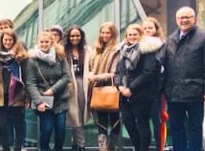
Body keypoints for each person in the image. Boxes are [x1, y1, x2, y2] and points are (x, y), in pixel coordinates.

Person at [162, 6, 205, 151]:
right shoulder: (170, 39)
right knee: (176, 128)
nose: (184, 20)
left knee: (195, 128)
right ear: (176, 20)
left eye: (187, 17)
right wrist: (163, 90)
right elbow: (166, 67)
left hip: (195, 92)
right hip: (174, 94)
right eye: (181, 18)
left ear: (194, 18)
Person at [114, 24, 162, 151]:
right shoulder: (123, 50)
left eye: (135, 34)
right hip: (124, 95)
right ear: (126, 36)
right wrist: (120, 87)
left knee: (142, 125)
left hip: (142, 94)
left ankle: (143, 149)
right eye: (130, 34)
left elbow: (148, 72)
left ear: (140, 35)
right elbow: (118, 72)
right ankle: (137, 147)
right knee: (129, 124)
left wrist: (131, 88)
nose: (132, 37)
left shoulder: (147, 51)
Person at [25, 31, 70, 151]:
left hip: (60, 100)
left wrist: (53, 90)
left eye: (46, 42)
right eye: (41, 42)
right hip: (42, 101)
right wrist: (39, 101)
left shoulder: (60, 56)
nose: (44, 44)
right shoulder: (32, 60)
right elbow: (30, 83)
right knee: (47, 129)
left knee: (61, 130)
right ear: (37, 42)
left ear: (51, 42)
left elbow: (66, 76)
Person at [0, 29, 29, 151]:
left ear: (14, 40)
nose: (8, 42)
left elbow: (26, 77)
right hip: (1, 96)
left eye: (10, 40)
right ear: (2, 40)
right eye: (5, 39)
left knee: (18, 124)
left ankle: (17, 148)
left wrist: (27, 98)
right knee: (1, 126)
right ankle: (6, 148)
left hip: (17, 95)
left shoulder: (21, 56)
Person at [89, 22, 122, 151]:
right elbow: (92, 68)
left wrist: (95, 77)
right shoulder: (97, 50)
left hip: (111, 89)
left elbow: (114, 73)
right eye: (103, 32)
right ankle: (103, 149)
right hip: (98, 89)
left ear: (113, 34)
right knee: (101, 121)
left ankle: (112, 147)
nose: (105, 35)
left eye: (108, 33)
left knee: (115, 119)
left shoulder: (116, 50)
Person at [61, 25, 91, 151]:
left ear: (81, 36)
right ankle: (81, 145)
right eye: (72, 36)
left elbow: (92, 67)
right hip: (69, 86)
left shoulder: (87, 50)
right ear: (68, 37)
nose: (75, 38)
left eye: (77, 35)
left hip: (83, 84)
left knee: (80, 114)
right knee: (75, 115)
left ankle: (75, 143)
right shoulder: (62, 50)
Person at [140, 17, 167, 151]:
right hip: (140, 93)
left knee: (158, 123)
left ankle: (160, 148)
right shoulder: (137, 46)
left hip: (158, 92)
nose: (147, 30)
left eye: (150, 28)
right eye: (145, 28)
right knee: (142, 124)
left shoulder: (163, 46)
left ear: (156, 29)